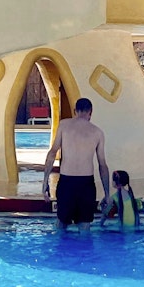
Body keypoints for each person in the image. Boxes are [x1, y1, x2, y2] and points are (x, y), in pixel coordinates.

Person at [42, 97, 110, 232]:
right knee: (84, 227)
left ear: (75, 111)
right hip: (86, 184)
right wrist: (107, 193)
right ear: (91, 112)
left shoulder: (63, 125)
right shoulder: (98, 132)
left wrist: (45, 182)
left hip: (67, 182)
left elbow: (52, 154)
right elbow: (102, 165)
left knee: (61, 225)